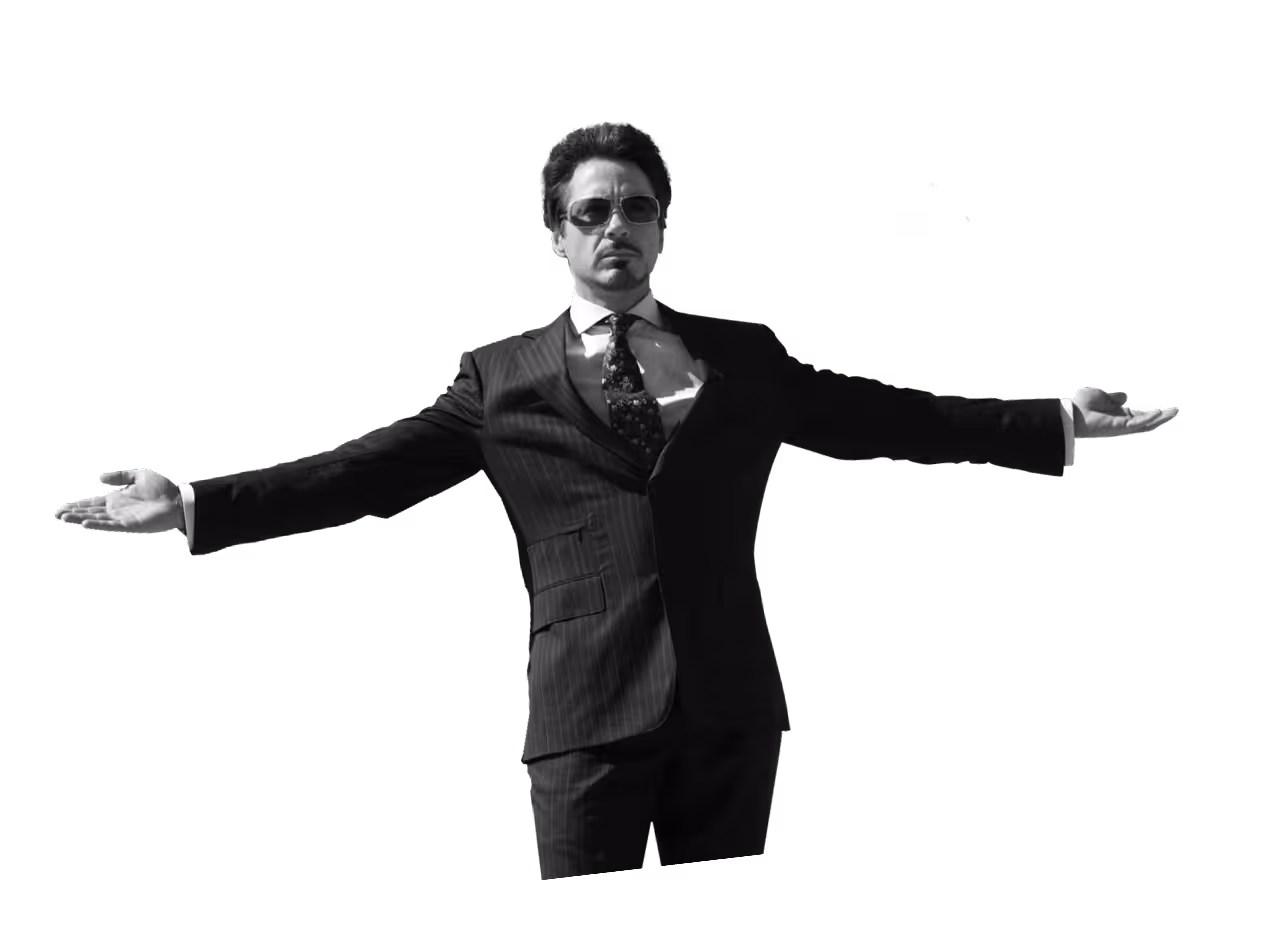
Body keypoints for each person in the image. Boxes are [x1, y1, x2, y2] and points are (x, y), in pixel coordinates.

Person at [52, 121, 1174, 882]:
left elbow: (897, 417)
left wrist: (1056, 419)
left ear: (664, 227)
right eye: (590, 212)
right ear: (556, 233)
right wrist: (189, 500)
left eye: (636, 209)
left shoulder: (744, 355)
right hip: (582, 714)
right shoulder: (499, 377)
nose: (615, 229)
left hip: (732, 706)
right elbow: (360, 473)